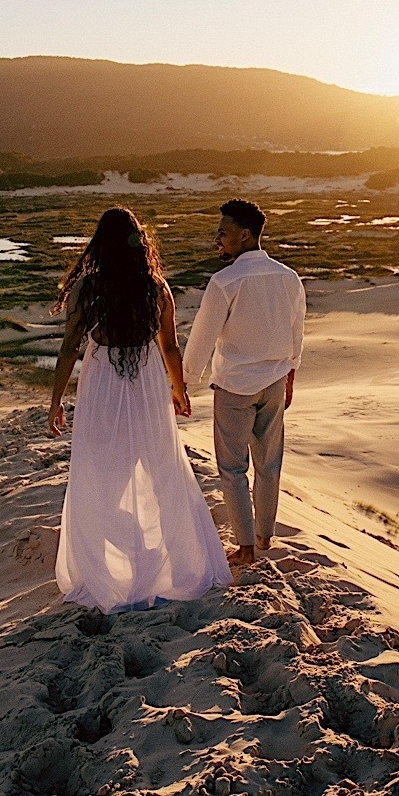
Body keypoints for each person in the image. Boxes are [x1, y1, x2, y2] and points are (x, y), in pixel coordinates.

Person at [48, 207, 230, 612]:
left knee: (100, 472)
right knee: (159, 467)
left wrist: (56, 401)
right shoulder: (155, 287)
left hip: (103, 384)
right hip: (146, 382)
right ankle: (157, 556)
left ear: (100, 244)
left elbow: (69, 349)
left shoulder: (87, 288)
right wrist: (179, 389)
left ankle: (128, 558)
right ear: (138, 242)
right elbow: (169, 346)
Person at [183, 199, 306, 568]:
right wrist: (290, 375)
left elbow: (202, 340)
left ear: (246, 235)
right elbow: (296, 330)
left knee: (233, 467)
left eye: (223, 233)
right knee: (269, 464)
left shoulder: (225, 282)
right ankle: (264, 535)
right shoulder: (288, 277)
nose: (217, 239)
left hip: (235, 385)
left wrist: (184, 383)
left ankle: (246, 547)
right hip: (273, 381)